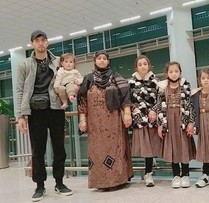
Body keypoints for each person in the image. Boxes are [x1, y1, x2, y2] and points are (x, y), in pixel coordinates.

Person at [16, 30, 73, 202]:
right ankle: (39, 185)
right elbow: (19, 90)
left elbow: (68, 77)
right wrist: (20, 115)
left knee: (59, 148)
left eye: (43, 40)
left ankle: (59, 182)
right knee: (37, 150)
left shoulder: (57, 62)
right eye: (37, 40)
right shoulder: (24, 64)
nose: (41, 43)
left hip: (55, 109)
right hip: (35, 112)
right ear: (32, 43)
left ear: (47, 42)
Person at [78, 50, 133, 190]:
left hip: (114, 122)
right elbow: (82, 101)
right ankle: (100, 182)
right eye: (99, 58)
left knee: (116, 149)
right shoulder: (88, 79)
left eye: (104, 58)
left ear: (108, 61)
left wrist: (127, 114)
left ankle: (117, 181)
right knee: (97, 151)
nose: (102, 60)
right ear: (95, 60)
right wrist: (82, 119)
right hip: (95, 124)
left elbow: (125, 97)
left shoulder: (115, 77)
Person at [156, 61, 196, 189]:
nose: (174, 74)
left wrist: (190, 122)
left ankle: (185, 175)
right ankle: (176, 175)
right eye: (171, 71)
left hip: (181, 120)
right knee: (172, 147)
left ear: (180, 73)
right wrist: (160, 124)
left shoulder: (185, 86)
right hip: (169, 120)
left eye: (176, 71)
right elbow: (159, 107)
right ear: (166, 73)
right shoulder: (162, 88)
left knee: (183, 146)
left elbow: (190, 105)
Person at [128, 55, 162, 187]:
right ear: (136, 67)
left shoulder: (156, 82)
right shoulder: (130, 83)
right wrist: (134, 110)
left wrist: (154, 110)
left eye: (145, 64)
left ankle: (149, 174)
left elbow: (160, 100)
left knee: (152, 147)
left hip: (152, 120)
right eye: (140, 64)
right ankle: (145, 173)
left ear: (149, 65)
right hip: (139, 120)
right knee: (145, 148)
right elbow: (128, 101)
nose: (143, 66)